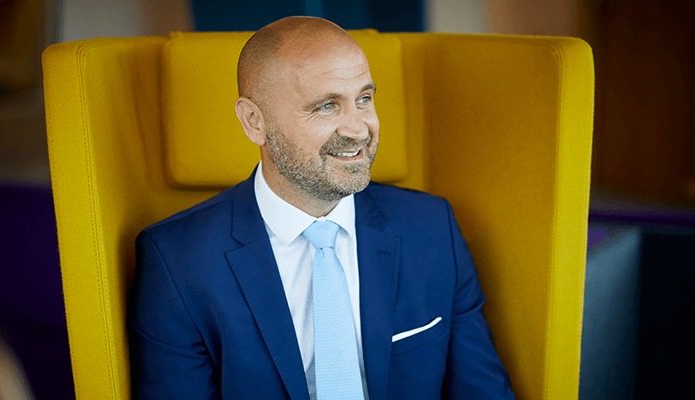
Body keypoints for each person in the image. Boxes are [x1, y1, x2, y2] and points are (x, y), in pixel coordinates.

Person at [129, 16, 515, 400]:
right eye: (327, 106)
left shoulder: (433, 229)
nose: (359, 129)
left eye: (364, 99)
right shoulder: (176, 262)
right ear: (254, 122)